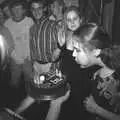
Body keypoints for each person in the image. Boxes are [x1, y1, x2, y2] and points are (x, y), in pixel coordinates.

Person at [72, 23, 120, 120]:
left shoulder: (117, 77)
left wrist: (97, 110)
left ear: (96, 52)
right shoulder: (98, 71)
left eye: (77, 50)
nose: (73, 54)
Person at [4, 0, 34, 87]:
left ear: (23, 10)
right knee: (14, 81)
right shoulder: (7, 23)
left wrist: (29, 56)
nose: (16, 11)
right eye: (14, 9)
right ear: (11, 10)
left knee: (29, 81)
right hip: (14, 59)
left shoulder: (30, 21)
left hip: (27, 58)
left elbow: (32, 40)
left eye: (19, 9)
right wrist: (15, 57)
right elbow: (6, 44)